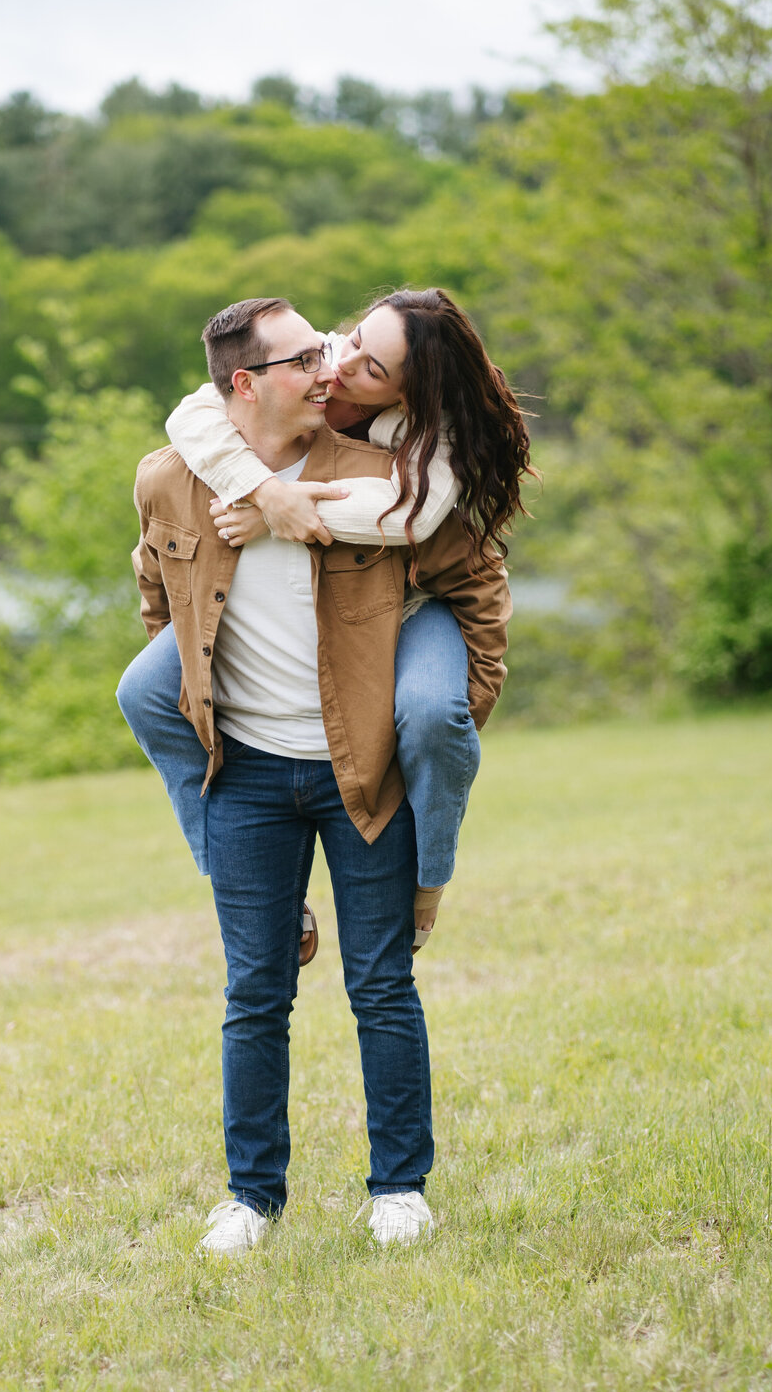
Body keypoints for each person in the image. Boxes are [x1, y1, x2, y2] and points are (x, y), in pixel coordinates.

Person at [124, 297, 511, 1256]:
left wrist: (449, 718)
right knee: (254, 992)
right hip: (247, 778)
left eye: (334, 351)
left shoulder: (388, 480)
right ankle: (251, 1198)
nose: (330, 366)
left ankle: (400, 1188)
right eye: (306, 357)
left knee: (381, 985)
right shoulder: (171, 481)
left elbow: (475, 590)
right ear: (247, 385)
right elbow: (155, 597)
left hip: (360, 773)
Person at [122, 288, 533, 952]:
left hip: (408, 605)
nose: (339, 369)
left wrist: (280, 515)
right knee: (142, 691)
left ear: (407, 396)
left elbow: (421, 528)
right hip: (287, 600)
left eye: (373, 370)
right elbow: (195, 413)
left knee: (431, 711)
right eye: (351, 340)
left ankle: (427, 882)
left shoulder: (424, 443)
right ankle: (231, 869)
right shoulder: (307, 370)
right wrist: (263, 491)